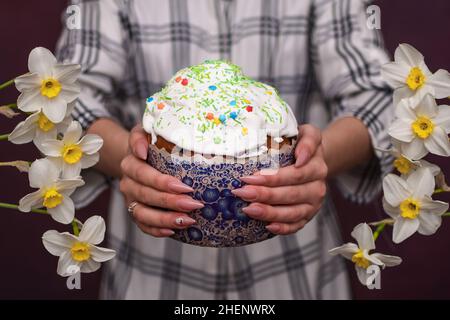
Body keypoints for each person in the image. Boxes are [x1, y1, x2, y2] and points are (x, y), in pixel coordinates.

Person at [57, 0, 393, 299]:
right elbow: (68, 97)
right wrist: (131, 161)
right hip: (152, 275)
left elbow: (376, 97)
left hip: (294, 274)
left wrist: (316, 161)